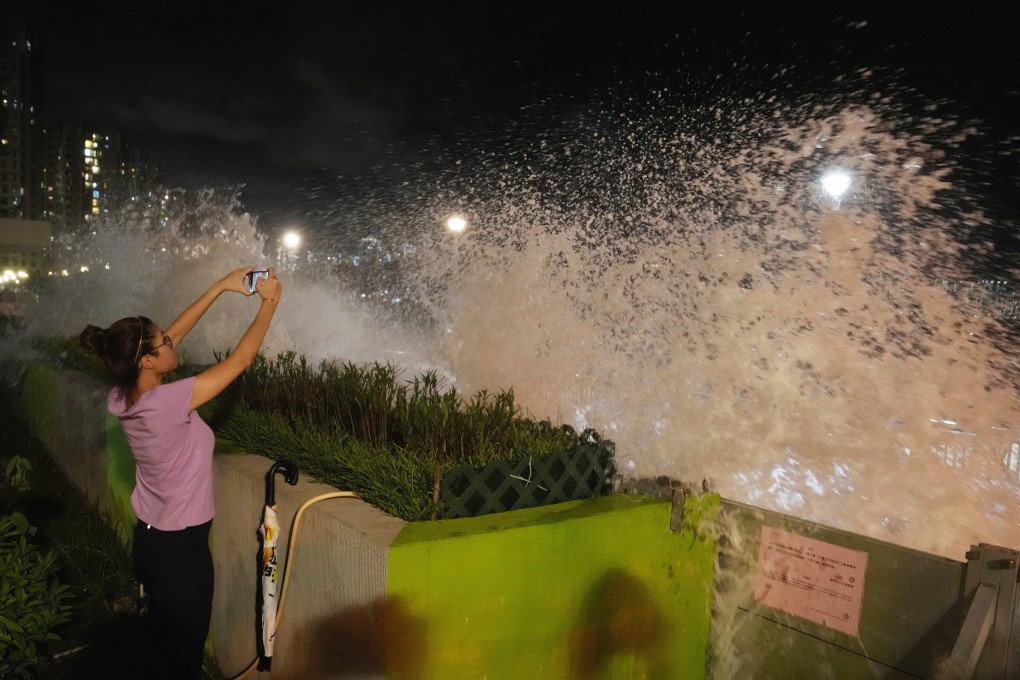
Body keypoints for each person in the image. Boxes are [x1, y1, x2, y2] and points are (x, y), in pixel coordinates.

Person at [79, 266, 282, 680]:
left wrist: (218, 288)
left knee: (168, 648)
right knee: (184, 663)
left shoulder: (122, 395)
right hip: (182, 553)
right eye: (164, 342)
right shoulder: (169, 401)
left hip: (150, 542)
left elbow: (171, 337)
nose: (174, 340)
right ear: (148, 360)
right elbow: (240, 361)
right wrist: (270, 302)